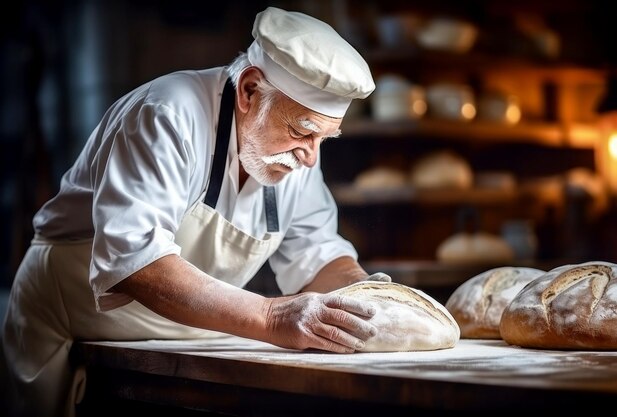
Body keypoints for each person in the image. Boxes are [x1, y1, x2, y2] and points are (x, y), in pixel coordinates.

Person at [2, 6, 392, 417]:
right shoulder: (168, 114)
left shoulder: (297, 155)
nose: (311, 158)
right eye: (302, 131)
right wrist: (271, 315)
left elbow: (318, 254)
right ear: (249, 90)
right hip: (67, 326)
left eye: (324, 139)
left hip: (185, 336)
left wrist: (370, 296)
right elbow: (137, 261)